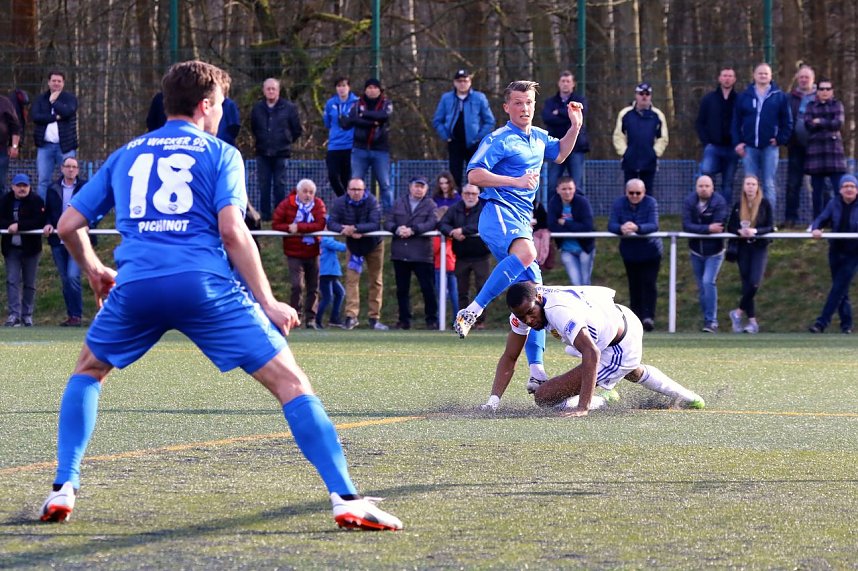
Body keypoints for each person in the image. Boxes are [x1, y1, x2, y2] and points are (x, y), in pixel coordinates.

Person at [37, 61, 402, 531]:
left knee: (88, 371)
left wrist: (94, 271)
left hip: (137, 285)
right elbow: (232, 230)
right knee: (291, 383)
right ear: (205, 105)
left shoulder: (126, 153)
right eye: (222, 104)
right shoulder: (220, 153)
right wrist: (267, 300)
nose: (223, 112)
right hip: (204, 286)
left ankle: (64, 487)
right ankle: (346, 497)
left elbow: (69, 225)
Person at [454, 80, 583, 394]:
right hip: (497, 213)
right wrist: (514, 180)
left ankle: (537, 370)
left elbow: (561, 153)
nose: (525, 108)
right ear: (506, 107)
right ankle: (473, 309)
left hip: (521, 222)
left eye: (529, 103)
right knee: (527, 254)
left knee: (535, 295)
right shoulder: (499, 138)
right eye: (518, 103)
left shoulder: (538, 137)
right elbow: (473, 174)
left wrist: (575, 126)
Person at [481, 282, 705, 415]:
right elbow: (510, 356)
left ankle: (602, 399)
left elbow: (592, 353)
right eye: (522, 316)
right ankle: (688, 397)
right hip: (617, 319)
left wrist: (583, 407)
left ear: (539, 299)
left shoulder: (559, 310)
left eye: (531, 312)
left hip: (620, 342)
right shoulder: (526, 309)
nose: (528, 320)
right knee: (627, 370)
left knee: (544, 396)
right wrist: (493, 400)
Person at [326, 177, 388, 331]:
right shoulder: (340, 202)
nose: (355, 192)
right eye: (353, 189)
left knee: (376, 281)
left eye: (358, 189)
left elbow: (375, 223)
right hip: (353, 246)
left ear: (364, 190)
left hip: (374, 245)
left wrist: (356, 228)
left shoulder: (372, 201)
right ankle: (351, 316)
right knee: (351, 281)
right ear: (348, 190)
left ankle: (374, 318)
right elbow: (331, 222)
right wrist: (343, 229)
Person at [732, 63, 792, 216]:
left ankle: (768, 219)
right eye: (760, 73)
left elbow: (787, 121)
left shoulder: (779, 96)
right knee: (749, 184)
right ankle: (748, 217)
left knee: (769, 184)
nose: (763, 76)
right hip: (749, 147)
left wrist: (780, 139)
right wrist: (738, 142)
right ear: (754, 75)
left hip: (770, 148)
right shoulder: (744, 96)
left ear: (771, 76)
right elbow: (736, 122)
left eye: (766, 73)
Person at [384, 176, 439, 330]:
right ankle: (404, 320)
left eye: (422, 187)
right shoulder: (398, 203)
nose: (419, 189)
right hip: (400, 254)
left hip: (422, 255)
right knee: (402, 290)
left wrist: (414, 230)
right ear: (410, 187)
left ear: (426, 189)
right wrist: (396, 229)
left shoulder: (430, 204)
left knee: (427, 289)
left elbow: (432, 222)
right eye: (416, 186)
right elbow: (388, 221)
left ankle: (431, 320)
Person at [271, 179, 327, 328]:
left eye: (311, 192)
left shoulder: (319, 204)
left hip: (313, 251)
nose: (308, 195)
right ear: (298, 191)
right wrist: (289, 228)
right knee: (297, 285)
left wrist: (299, 227)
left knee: (313, 286)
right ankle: (295, 317)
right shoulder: (287, 204)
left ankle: (311, 319)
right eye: (305, 191)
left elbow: (320, 224)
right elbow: (276, 224)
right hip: (293, 251)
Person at [608, 178, 662, 332]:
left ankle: (649, 317)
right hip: (630, 253)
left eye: (638, 193)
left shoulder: (651, 203)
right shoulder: (619, 203)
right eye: (631, 193)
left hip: (651, 251)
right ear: (626, 192)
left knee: (649, 284)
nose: (635, 196)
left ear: (644, 192)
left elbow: (654, 224)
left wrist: (637, 227)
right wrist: (621, 228)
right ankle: (636, 318)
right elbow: (611, 224)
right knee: (634, 285)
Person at [808, 174, 858, 334]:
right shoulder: (834, 202)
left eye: (852, 186)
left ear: (856, 190)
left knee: (838, 287)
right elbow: (822, 218)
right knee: (841, 289)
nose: (849, 189)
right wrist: (816, 228)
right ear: (840, 190)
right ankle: (847, 325)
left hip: (853, 252)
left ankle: (821, 322)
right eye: (845, 186)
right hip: (836, 250)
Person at [432, 69, 495, 188]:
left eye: (465, 81)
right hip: (454, 142)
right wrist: (446, 136)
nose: (462, 84)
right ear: (454, 82)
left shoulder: (479, 98)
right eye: (459, 81)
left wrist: (479, 137)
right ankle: (457, 202)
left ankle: (478, 203)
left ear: (470, 82)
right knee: (454, 176)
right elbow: (437, 120)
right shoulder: (447, 98)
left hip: (474, 144)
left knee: (476, 174)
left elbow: (489, 121)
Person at [43, 158, 88, 327]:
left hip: (77, 240)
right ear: (62, 168)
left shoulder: (85, 187)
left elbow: (94, 208)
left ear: (77, 170)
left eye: (74, 167)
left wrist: (88, 224)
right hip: (58, 241)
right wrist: (47, 223)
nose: (70, 169)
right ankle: (71, 316)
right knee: (65, 280)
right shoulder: (52, 188)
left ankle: (77, 315)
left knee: (72, 277)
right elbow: (48, 212)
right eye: (68, 166)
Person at [727, 175, 774, 335]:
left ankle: (738, 312)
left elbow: (770, 226)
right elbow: (730, 227)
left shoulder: (765, 204)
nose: (750, 187)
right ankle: (753, 322)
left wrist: (755, 231)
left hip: (759, 247)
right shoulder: (737, 205)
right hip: (742, 248)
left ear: (758, 186)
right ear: (744, 186)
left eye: (753, 184)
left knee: (755, 282)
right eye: (747, 184)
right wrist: (739, 231)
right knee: (746, 284)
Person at [439, 183, 490, 330]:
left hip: (481, 256)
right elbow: (442, 224)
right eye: (467, 193)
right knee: (462, 291)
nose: (470, 196)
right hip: (461, 256)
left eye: (473, 194)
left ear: (478, 194)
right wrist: (452, 232)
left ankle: (480, 322)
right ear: (462, 194)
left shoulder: (484, 208)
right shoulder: (454, 209)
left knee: (482, 289)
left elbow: (482, 225)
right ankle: (463, 320)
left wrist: (462, 230)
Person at [251, 78, 302, 220]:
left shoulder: (289, 108)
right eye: (268, 89)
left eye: (273, 88)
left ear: (278, 91)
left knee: (280, 184)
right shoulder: (257, 108)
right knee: (264, 185)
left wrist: (286, 140)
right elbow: (254, 127)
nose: (271, 91)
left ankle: (280, 215)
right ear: (264, 90)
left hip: (282, 153)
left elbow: (297, 129)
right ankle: (266, 216)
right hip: (262, 152)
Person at [682, 175, 729, 333]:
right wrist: (707, 229)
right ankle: (707, 320)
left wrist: (702, 228)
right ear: (696, 187)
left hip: (715, 251)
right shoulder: (690, 201)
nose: (704, 188)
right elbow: (687, 225)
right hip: (696, 251)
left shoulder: (719, 202)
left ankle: (711, 321)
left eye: (707, 186)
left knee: (708, 282)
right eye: (701, 186)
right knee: (702, 286)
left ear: (712, 187)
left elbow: (719, 225)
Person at [1, 174, 46, 327]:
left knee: (30, 283)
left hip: (31, 249)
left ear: (29, 187)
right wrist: (10, 225)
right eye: (19, 186)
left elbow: (39, 220)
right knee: (12, 280)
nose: (22, 189)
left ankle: (27, 315)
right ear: (13, 187)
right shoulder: (5, 200)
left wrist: (19, 226)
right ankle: (14, 315)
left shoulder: (36, 200)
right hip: (11, 248)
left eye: (24, 186)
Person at [612, 82, 668, 196]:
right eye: (641, 93)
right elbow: (618, 136)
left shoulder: (658, 115)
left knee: (648, 193)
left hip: (649, 161)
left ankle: (649, 214)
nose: (644, 96)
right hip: (630, 160)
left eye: (647, 94)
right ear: (636, 95)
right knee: (629, 192)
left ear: (651, 96)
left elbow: (663, 138)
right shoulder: (625, 114)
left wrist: (654, 153)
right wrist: (625, 153)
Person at [345, 79, 393, 212]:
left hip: (380, 150)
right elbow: (352, 120)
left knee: (385, 185)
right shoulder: (356, 104)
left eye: (375, 87)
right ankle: (353, 213)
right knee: (355, 184)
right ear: (365, 90)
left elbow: (383, 116)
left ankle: (390, 217)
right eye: (369, 88)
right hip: (359, 149)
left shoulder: (386, 103)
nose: (372, 90)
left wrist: (364, 115)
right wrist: (373, 122)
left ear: (379, 90)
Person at [803, 78, 847, 220]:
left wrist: (820, 121)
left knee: (838, 190)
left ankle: (840, 219)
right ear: (817, 91)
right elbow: (808, 124)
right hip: (816, 154)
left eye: (828, 89)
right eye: (822, 89)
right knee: (817, 191)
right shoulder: (811, 105)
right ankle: (817, 221)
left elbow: (838, 123)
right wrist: (827, 123)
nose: (825, 92)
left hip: (834, 154)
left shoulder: (837, 105)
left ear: (832, 91)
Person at [32, 70, 79, 201]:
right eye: (54, 81)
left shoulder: (70, 99)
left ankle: (68, 210)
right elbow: (36, 117)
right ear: (48, 82)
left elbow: (68, 112)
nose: (56, 83)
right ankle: (41, 210)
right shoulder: (40, 99)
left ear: (63, 83)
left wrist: (54, 102)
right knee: (43, 180)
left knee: (69, 179)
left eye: (59, 81)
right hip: (45, 146)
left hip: (65, 146)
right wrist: (55, 117)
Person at [541, 70, 590, 192]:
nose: (565, 84)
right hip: (555, 147)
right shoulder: (550, 102)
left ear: (573, 84)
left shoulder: (580, 101)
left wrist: (558, 113)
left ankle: (577, 211)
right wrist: (568, 116)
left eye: (568, 81)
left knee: (577, 186)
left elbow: (578, 118)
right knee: (552, 184)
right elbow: (547, 118)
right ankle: (553, 211)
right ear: (558, 83)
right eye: (563, 81)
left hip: (576, 147)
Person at [695, 67, 738, 204]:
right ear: (719, 78)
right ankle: (705, 211)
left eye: (730, 76)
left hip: (732, 148)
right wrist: (706, 142)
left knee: (728, 183)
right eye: (724, 75)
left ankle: (723, 216)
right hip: (713, 147)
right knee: (706, 177)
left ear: (734, 79)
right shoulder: (709, 99)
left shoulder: (740, 100)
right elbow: (700, 122)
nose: (727, 78)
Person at [784, 65, 816, 228]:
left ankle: (822, 219)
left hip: (817, 148)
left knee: (820, 184)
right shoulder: (791, 98)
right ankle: (790, 219)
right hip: (795, 147)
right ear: (797, 78)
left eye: (807, 77)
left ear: (813, 79)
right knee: (793, 184)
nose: (804, 80)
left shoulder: (820, 97)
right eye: (801, 77)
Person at [547, 176, 595, 286]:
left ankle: (587, 303)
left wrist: (565, 223)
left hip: (585, 249)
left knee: (585, 283)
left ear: (575, 189)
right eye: (564, 189)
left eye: (570, 188)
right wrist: (576, 227)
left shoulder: (582, 202)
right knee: (575, 283)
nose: (567, 192)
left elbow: (587, 227)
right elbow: (552, 226)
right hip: (566, 250)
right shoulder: (553, 203)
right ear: (558, 190)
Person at [322, 77, 358, 197]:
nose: (341, 89)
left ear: (349, 87)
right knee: (333, 176)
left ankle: (349, 204)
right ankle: (343, 199)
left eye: (344, 85)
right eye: (338, 86)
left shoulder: (356, 102)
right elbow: (327, 123)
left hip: (350, 145)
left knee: (347, 177)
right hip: (334, 145)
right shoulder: (330, 103)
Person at [316, 236, 347, 329]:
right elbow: (342, 247)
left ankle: (334, 318)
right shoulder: (325, 239)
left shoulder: (327, 239)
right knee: (327, 297)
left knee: (340, 293)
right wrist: (353, 244)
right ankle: (317, 320)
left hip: (330, 272)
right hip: (325, 273)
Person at [0, 93, 21, 194]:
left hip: (1, 151)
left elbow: (15, 126)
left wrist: (14, 146)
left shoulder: (5, 103)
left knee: (0, 183)